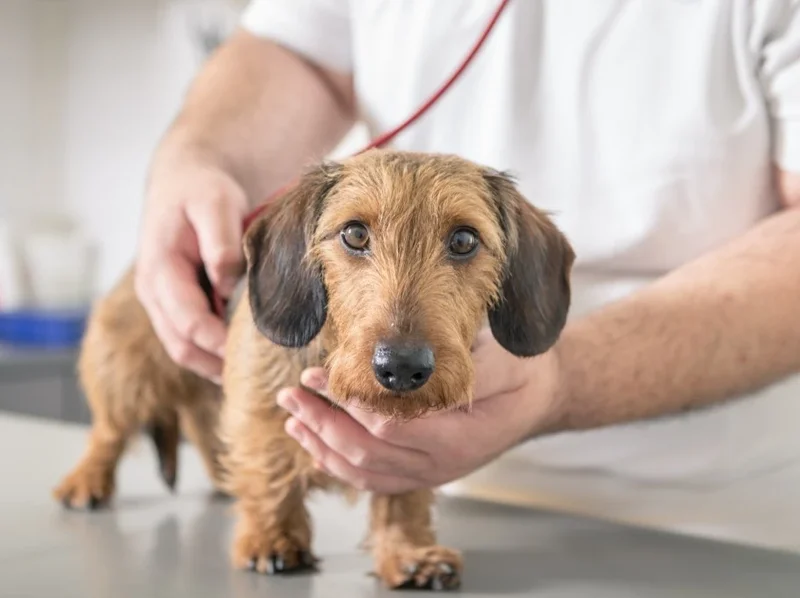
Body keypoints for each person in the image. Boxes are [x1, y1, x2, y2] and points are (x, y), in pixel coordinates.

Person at [135, 1, 800, 549]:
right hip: (450, 501)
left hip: (720, 525)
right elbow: (300, 49)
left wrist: (564, 382)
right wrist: (200, 157)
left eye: (462, 242)